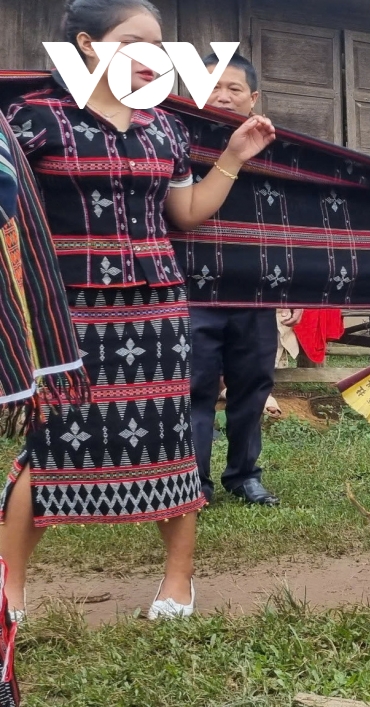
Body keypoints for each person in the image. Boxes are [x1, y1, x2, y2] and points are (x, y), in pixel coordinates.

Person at [1, 0, 275, 620]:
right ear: (88, 45)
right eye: (135, 41)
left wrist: (231, 158)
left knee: (170, 437)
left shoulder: (163, 128)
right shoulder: (34, 119)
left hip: (157, 311)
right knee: (49, 446)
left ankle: (177, 583)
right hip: (63, 311)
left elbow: (183, 215)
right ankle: (9, 590)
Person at [189, 52, 291, 506]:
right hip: (194, 289)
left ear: (254, 99)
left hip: (256, 288)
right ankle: (195, 481)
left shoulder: (278, 153)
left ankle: (245, 474)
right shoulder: (177, 142)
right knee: (196, 386)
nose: (223, 97)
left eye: (234, 89)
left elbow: (293, 222)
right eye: (213, 87)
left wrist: (295, 285)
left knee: (252, 384)